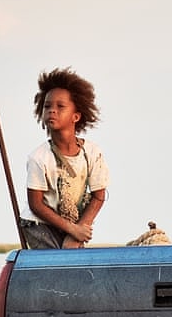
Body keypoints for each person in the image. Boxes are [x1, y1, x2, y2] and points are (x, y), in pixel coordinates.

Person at [20, 68, 109, 249]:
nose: (52, 111)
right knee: (58, 262)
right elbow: (36, 204)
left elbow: (99, 196)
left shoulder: (92, 153)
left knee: (74, 259)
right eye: (47, 106)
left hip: (72, 223)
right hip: (40, 224)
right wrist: (72, 229)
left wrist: (80, 229)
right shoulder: (39, 158)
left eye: (60, 107)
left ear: (76, 116)